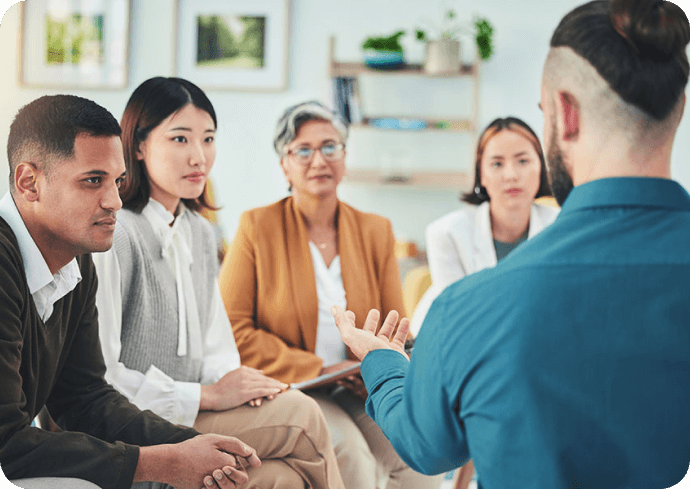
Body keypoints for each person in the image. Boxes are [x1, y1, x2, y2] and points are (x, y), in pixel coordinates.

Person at [331, 0, 690, 488]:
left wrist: (382, 360)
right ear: (679, 106)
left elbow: (424, 445)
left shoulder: (472, 305)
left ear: (563, 114)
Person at [92, 77, 344, 489]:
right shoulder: (117, 235)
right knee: (303, 417)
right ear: (137, 146)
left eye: (208, 139)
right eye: (180, 139)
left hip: (187, 411)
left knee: (286, 478)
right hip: (135, 428)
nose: (199, 157)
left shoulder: (198, 231)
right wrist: (207, 396)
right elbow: (102, 377)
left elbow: (216, 349)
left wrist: (240, 386)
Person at [0, 94, 260, 489]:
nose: (114, 201)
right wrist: (166, 462)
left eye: (116, 181)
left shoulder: (74, 257)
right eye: (92, 181)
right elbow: (6, 445)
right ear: (29, 182)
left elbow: (83, 397)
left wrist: (193, 446)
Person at [218, 101, 443, 489]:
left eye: (330, 147)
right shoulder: (257, 226)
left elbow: (397, 329)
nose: (318, 160)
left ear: (344, 156)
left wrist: (372, 366)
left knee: (418, 452)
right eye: (302, 150)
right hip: (296, 384)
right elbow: (234, 330)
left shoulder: (376, 230)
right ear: (284, 164)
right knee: (350, 455)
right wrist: (321, 369)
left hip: (359, 384)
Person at [409, 116, 559, 334]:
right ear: (482, 175)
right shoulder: (446, 233)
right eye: (497, 164)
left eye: (523, 161)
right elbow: (458, 318)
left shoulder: (562, 226)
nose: (511, 175)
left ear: (541, 167)